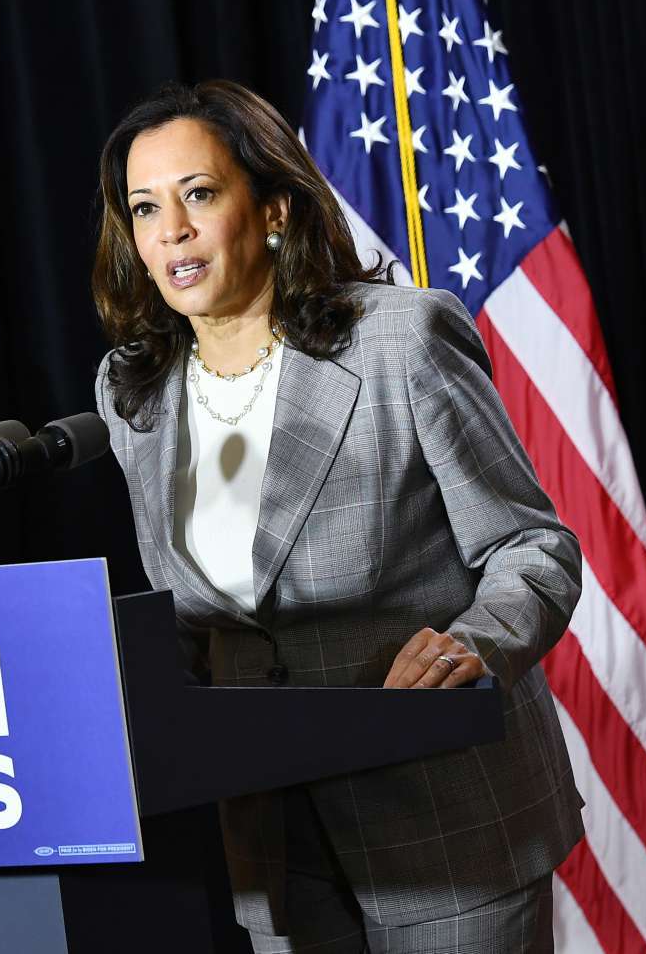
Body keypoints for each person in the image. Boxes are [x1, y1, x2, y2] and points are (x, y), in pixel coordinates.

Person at [91, 81, 585, 952]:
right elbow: (188, 621)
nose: (171, 229)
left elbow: (533, 547)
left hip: (442, 822)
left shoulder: (402, 340)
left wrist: (478, 642)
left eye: (198, 194)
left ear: (273, 207)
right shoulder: (135, 394)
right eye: (144, 206)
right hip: (271, 842)